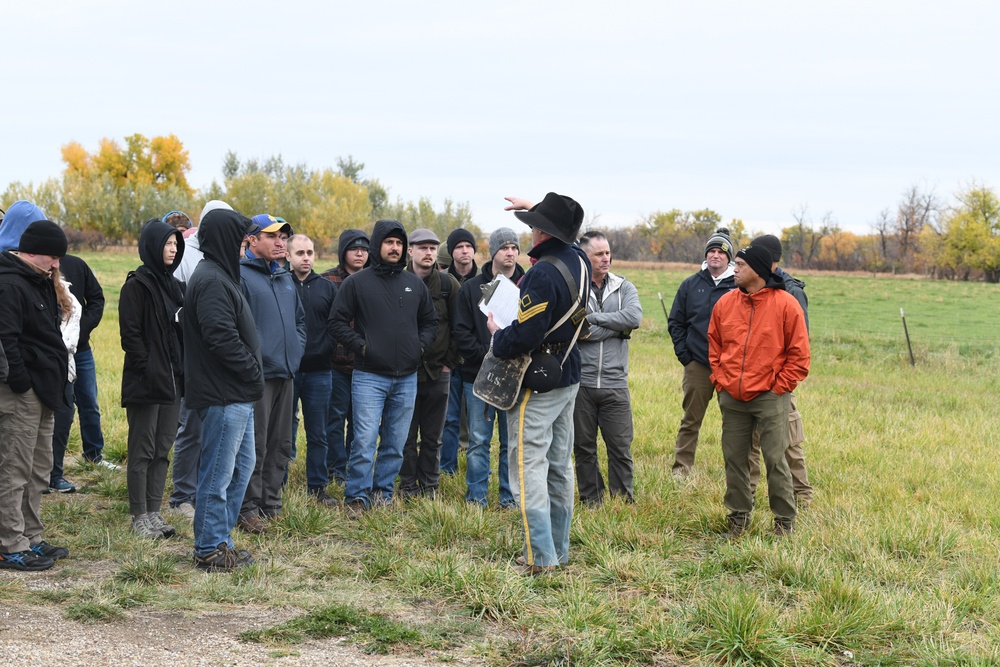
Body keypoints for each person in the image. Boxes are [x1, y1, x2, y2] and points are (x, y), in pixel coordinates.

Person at [488, 193, 590, 575]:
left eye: (533, 225)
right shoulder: (579, 258)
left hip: (539, 380)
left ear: (543, 232)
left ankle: (538, 558)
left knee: (527, 467)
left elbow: (527, 334)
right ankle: (559, 552)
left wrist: (498, 334)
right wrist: (542, 208)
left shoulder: (542, 273)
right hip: (568, 374)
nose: (528, 231)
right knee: (560, 467)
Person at [328, 219, 438, 511]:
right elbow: (336, 322)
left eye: (399, 243)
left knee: (395, 443)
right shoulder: (357, 283)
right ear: (378, 245)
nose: (395, 247)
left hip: (406, 377)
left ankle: (382, 494)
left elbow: (430, 322)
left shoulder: (414, 285)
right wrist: (362, 346)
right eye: (389, 242)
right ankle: (356, 497)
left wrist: (420, 346)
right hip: (368, 376)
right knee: (363, 441)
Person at [708, 243, 810, 537]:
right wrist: (721, 381)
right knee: (735, 459)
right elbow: (714, 346)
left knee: (776, 459)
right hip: (732, 396)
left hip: (770, 396)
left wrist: (779, 388)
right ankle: (738, 519)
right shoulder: (725, 303)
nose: (734, 269)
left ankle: (784, 523)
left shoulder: (786, 304)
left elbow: (800, 355)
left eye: (739, 265)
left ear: (758, 270)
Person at [183, 207, 263, 571]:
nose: (245, 243)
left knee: (241, 468)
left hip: (237, 394)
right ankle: (208, 549)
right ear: (225, 239)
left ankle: (221, 540)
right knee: (218, 474)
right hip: (224, 393)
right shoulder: (212, 278)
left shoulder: (221, 274)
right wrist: (251, 371)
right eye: (242, 237)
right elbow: (220, 338)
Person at [0, 218, 72, 571]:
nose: (57, 264)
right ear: (31, 252)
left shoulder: (38, 280)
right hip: (21, 393)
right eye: (53, 257)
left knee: (38, 469)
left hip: (44, 390)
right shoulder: (11, 284)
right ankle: (9, 544)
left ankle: (31, 537)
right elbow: (7, 339)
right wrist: (20, 382)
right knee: (14, 469)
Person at [237, 215, 306, 531]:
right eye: (273, 236)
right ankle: (247, 507)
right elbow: (236, 329)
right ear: (251, 240)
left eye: (284, 237)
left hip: (287, 373)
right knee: (256, 444)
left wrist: (295, 350)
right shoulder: (241, 277)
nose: (281, 242)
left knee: (281, 442)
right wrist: (256, 362)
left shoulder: (285, 277)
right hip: (258, 377)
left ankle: (271, 502)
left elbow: (300, 322)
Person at [119, 219, 185, 539]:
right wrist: (146, 368)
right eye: (167, 244)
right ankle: (138, 516)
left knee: (162, 449)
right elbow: (130, 336)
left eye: (175, 244)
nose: (173, 249)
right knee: (142, 449)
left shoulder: (172, 285)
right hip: (147, 382)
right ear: (152, 246)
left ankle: (154, 511)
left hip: (173, 382)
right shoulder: (137, 285)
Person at [453, 227, 525, 508]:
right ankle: (477, 497)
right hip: (477, 377)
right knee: (479, 441)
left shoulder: (528, 285)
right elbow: (462, 333)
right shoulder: (472, 288)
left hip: (515, 377)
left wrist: (512, 354)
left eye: (514, 247)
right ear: (493, 251)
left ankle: (508, 498)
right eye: (504, 247)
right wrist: (490, 354)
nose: (510, 252)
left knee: (511, 443)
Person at [573, 231, 642, 506]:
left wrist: (593, 319)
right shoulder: (575, 289)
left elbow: (633, 317)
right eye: (599, 254)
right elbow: (576, 330)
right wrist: (616, 328)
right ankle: (591, 498)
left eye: (608, 253)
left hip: (615, 383)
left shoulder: (624, 286)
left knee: (620, 447)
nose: (606, 258)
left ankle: (623, 499)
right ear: (585, 257)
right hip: (583, 383)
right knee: (583, 447)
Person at [746, 234, 814, 507]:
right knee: (748, 444)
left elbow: (800, 344)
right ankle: (747, 493)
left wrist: (782, 384)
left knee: (788, 441)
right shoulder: (749, 285)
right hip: (750, 381)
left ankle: (802, 495)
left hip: (778, 383)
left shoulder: (791, 290)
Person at [168, 203, 225, 520]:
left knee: (215, 429)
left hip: (220, 359)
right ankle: (182, 497)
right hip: (192, 355)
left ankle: (206, 491)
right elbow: (178, 308)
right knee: (191, 428)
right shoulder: (186, 253)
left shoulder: (229, 256)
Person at [667, 228, 737, 475]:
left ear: (730, 258)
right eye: (712, 251)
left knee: (735, 423)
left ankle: (737, 472)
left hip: (730, 366)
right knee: (690, 420)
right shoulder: (691, 284)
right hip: (698, 363)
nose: (716, 255)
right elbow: (676, 322)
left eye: (721, 252)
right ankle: (681, 469)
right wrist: (685, 357)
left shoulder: (738, 286)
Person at [398, 229, 461, 500]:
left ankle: (430, 486)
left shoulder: (448, 285)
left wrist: (449, 364)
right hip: (404, 373)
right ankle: (408, 486)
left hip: (438, 372)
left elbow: (460, 328)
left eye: (433, 248)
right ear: (410, 250)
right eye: (422, 247)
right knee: (406, 435)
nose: (428, 253)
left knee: (434, 435)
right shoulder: (397, 281)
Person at [287, 233, 338, 505]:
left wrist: (325, 348)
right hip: (287, 372)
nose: (306, 258)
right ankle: (277, 485)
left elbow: (337, 323)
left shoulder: (327, 288)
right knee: (282, 432)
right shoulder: (281, 284)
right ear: (288, 256)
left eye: (310, 253)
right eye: (300, 253)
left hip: (320, 371)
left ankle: (317, 487)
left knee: (319, 432)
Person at [321, 228, 369, 485]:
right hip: (336, 363)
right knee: (335, 417)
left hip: (366, 365)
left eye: (364, 248)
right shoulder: (327, 281)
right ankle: (335, 468)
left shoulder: (373, 280)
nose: (360, 253)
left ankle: (353, 465)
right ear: (343, 252)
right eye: (354, 248)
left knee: (360, 419)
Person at [439, 227, 479, 475]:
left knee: (477, 422)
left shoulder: (485, 281)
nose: (465, 251)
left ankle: (476, 467)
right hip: (451, 360)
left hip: (476, 360)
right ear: (451, 252)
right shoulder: (443, 281)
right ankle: (447, 468)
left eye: (468, 246)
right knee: (450, 418)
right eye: (459, 247)